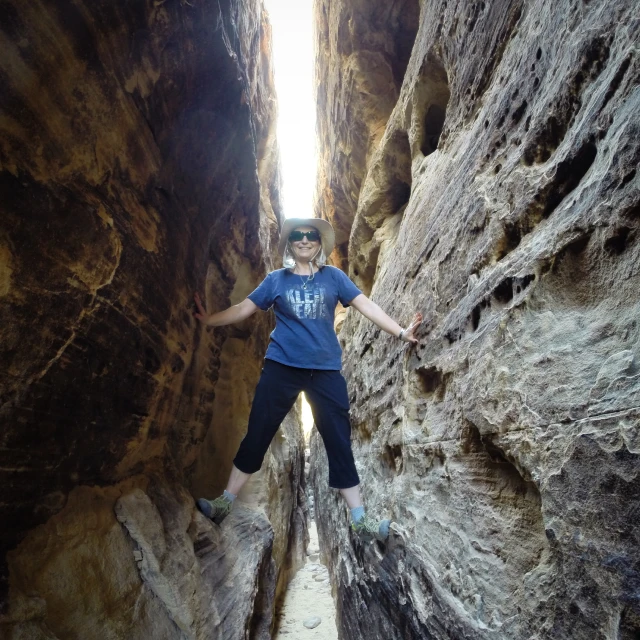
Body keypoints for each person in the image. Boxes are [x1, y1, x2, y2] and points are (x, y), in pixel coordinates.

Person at [194, 218, 422, 542]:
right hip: (281, 366)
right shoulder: (276, 281)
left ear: (319, 243)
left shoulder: (334, 278)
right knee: (258, 432)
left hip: (325, 370)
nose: (304, 240)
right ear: (290, 243)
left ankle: (360, 521)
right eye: (298, 236)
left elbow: (365, 305)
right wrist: (209, 321)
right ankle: (224, 503)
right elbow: (244, 309)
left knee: (339, 441)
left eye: (310, 236)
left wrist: (401, 331)